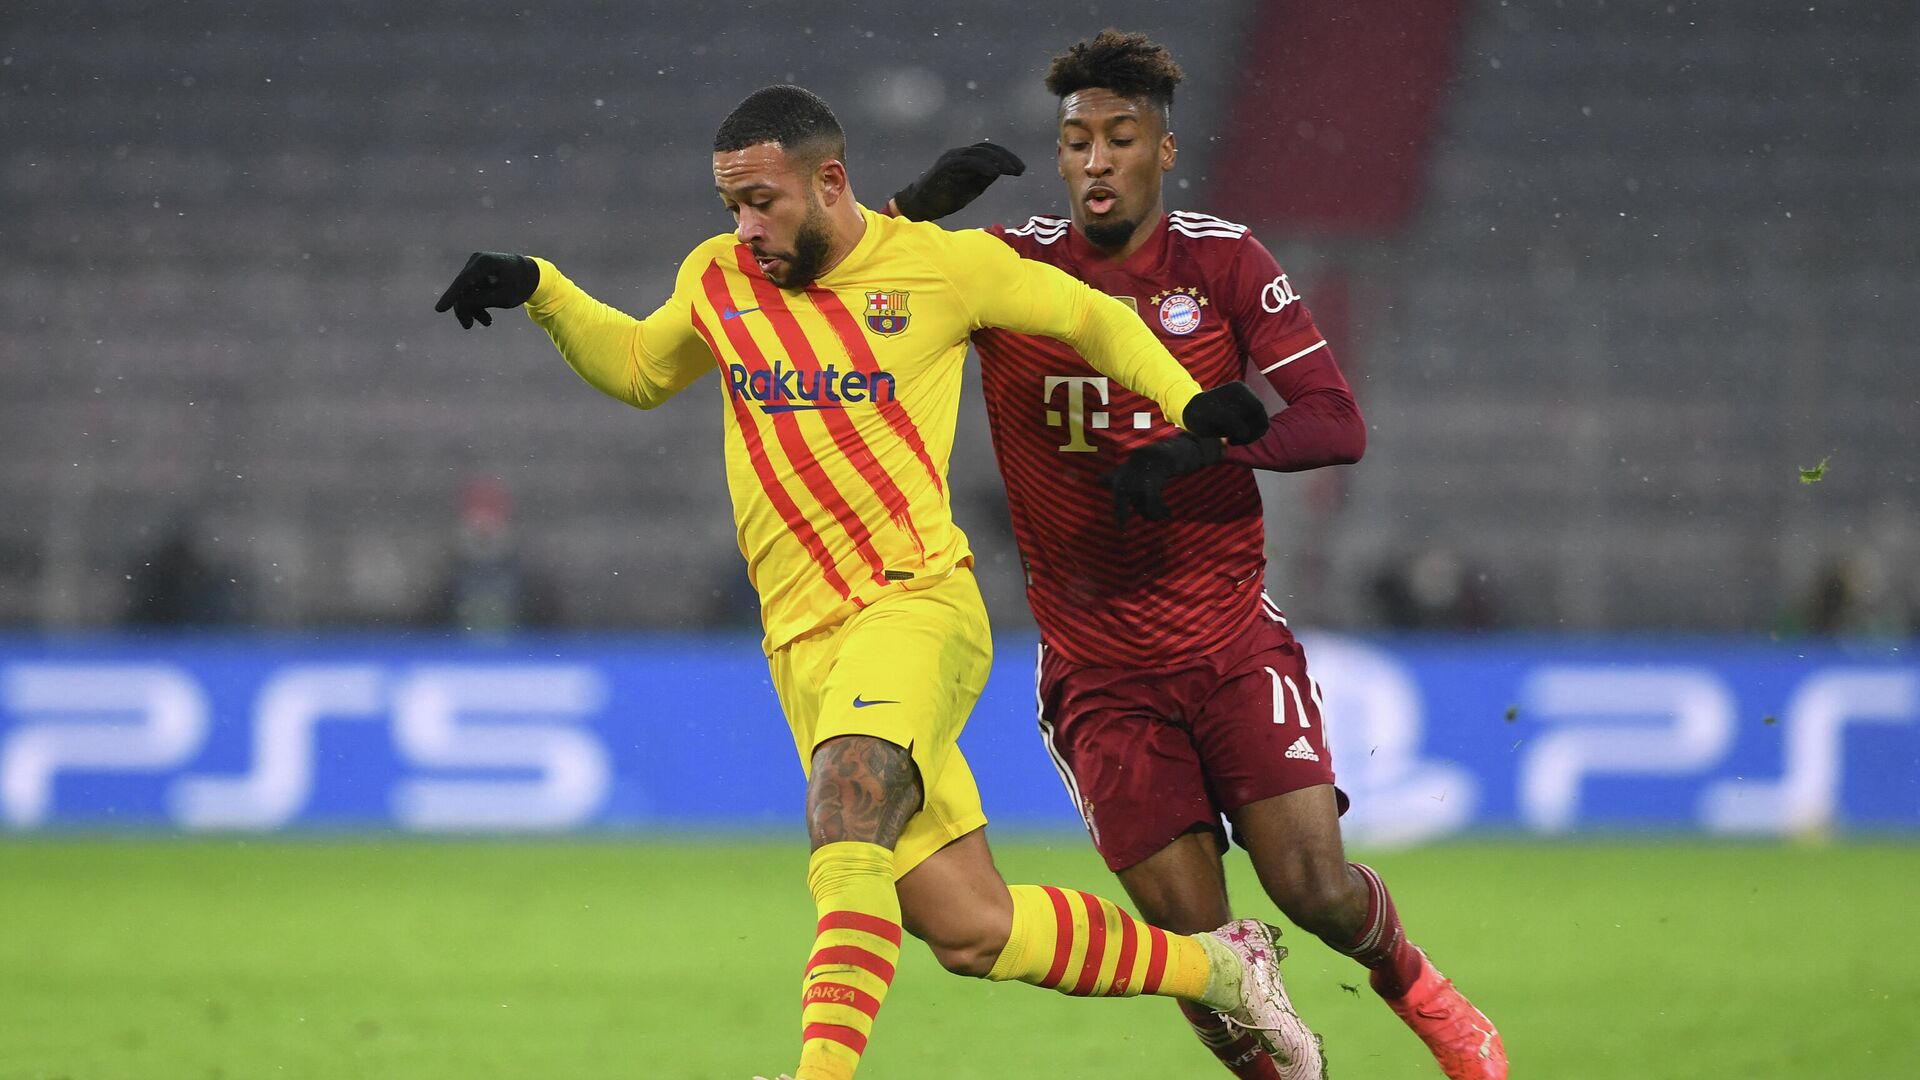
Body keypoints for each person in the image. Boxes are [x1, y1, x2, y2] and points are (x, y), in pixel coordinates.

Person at [434, 85, 1323, 1080]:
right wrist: (543, 290)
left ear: (830, 182)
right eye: (732, 204)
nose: (746, 226)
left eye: (763, 201)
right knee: (971, 930)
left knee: (847, 824)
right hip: (802, 643)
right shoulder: (721, 278)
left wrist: (1192, 404)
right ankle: (1219, 969)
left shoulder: (938, 270)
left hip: (911, 607)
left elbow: (1089, 318)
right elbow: (643, 367)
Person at [960, 30, 1508, 1080]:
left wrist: (1208, 443)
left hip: (1228, 642)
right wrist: (913, 207)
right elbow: (865, 278)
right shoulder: (1007, 264)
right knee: (1207, 960)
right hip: (1100, 672)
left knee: (1314, 891)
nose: (1097, 161)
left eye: (1121, 138)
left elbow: (1337, 422)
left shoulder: (1224, 261)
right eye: (1077, 141)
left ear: (1164, 150)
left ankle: (1425, 995)